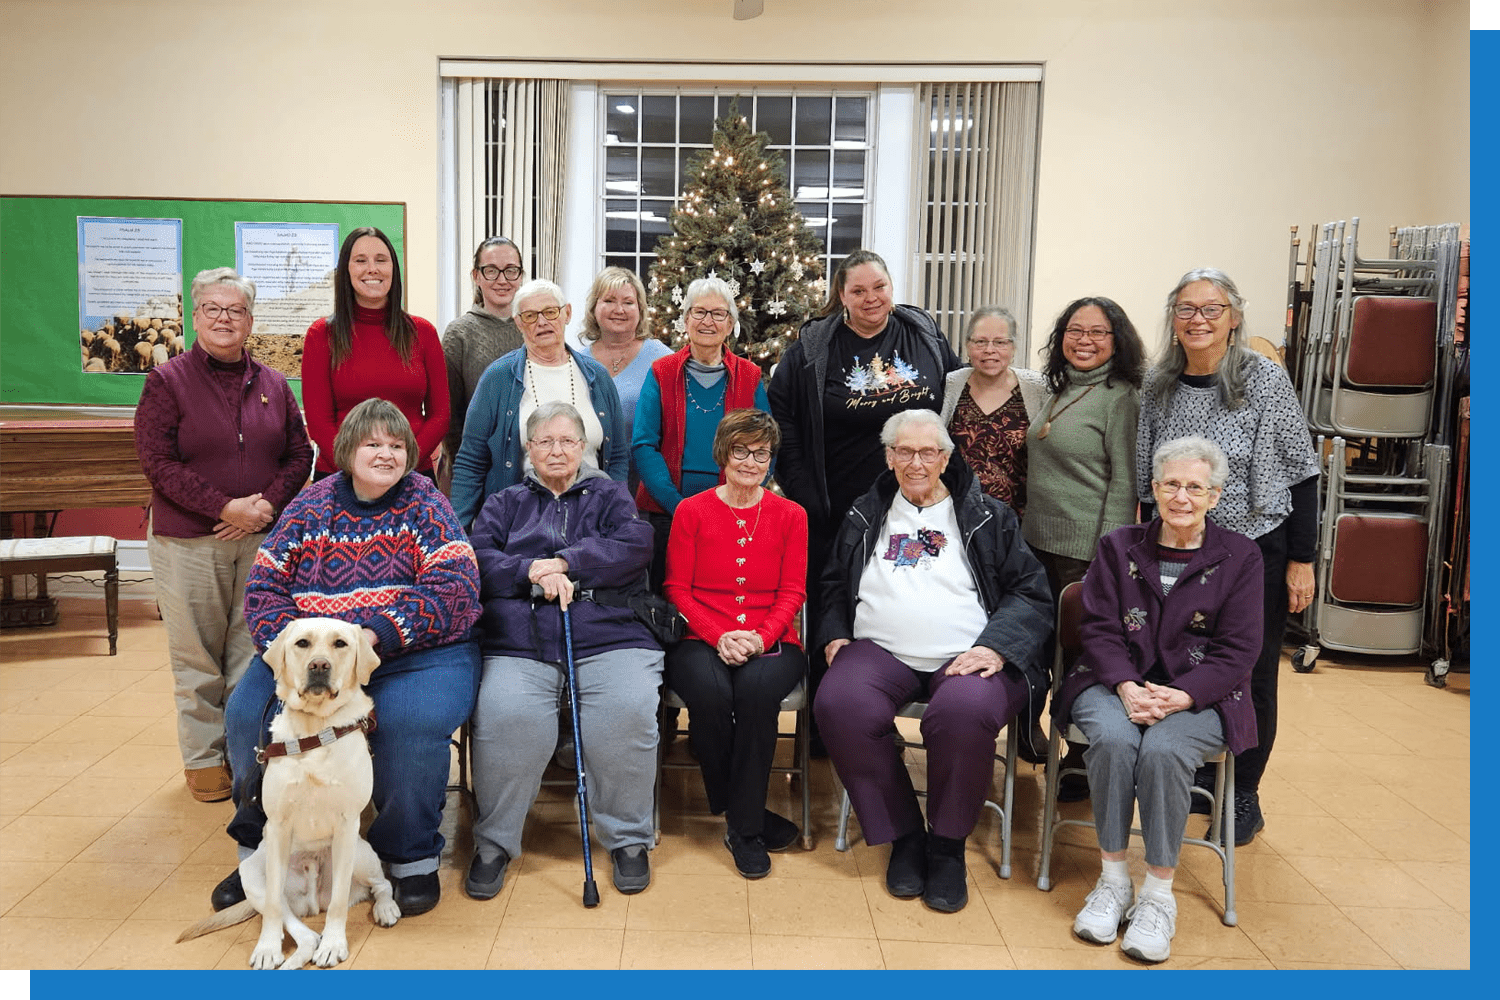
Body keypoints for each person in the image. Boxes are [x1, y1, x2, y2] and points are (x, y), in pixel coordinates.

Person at [216, 399, 481, 918]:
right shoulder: (310, 505)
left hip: (416, 653)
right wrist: (295, 653)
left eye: (397, 445)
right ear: (346, 450)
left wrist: (374, 636)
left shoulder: (426, 504)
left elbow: (455, 586)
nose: (386, 454)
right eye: (372, 444)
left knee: (408, 724)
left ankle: (408, 856)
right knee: (248, 716)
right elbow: (265, 586)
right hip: (311, 655)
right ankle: (262, 853)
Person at [814, 409, 1051, 914]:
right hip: (880, 650)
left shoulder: (988, 516)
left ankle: (946, 846)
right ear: (888, 457)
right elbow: (832, 582)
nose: (915, 463)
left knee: (962, 713)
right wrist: (834, 634)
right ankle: (904, 833)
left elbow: (1030, 593)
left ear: (946, 458)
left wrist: (996, 646)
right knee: (839, 705)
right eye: (904, 451)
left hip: (967, 653)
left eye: (927, 452)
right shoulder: (866, 512)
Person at [1056, 436, 1262, 964]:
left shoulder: (1241, 556)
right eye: (1171, 484)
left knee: (1165, 750)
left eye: (1195, 487)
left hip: (1203, 692)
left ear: (1215, 496)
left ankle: (1157, 896)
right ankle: (1112, 881)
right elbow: (1097, 628)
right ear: (1153, 489)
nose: (1182, 497)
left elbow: (1239, 649)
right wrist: (1126, 685)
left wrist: (1183, 695)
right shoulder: (1118, 545)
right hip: (1111, 680)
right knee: (1112, 739)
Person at [1135, 268, 1319, 847]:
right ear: (1173, 319)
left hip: (1254, 550)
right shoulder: (1158, 383)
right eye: (1186, 309)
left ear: (1234, 317)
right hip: (1179, 551)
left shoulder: (1264, 378)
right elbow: (1147, 478)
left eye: (1211, 309)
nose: (1198, 320)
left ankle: (1244, 794)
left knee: (1251, 670)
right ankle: (1200, 773)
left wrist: (1303, 559)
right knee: (1181, 661)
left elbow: (1302, 471)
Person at [464, 401, 663, 900]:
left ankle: (628, 838)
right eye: (545, 441)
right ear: (528, 449)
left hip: (609, 633)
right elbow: (478, 559)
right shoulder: (505, 502)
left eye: (568, 440)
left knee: (628, 709)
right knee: (505, 714)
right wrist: (528, 571)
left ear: (583, 447)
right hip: (521, 639)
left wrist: (567, 562)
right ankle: (494, 842)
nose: (557, 450)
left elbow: (635, 545)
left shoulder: (611, 495)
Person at [134, 267, 313, 803]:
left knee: (249, 652)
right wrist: (224, 507)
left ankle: (243, 753)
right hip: (188, 541)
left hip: (259, 537)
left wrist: (264, 506)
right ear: (195, 316)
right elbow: (157, 462)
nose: (224, 319)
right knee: (197, 657)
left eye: (235, 310)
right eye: (212, 308)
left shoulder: (274, 383)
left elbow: (298, 454)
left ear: (250, 321)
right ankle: (204, 759)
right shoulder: (166, 381)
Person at [768, 250, 961, 747]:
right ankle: (825, 726)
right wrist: (804, 492)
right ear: (841, 295)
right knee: (834, 607)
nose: (871, 298)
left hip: (915, 505)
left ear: (892, 288)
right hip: (836, 507)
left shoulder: (923, 334)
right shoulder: (815, 346)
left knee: (896, 601)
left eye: (879, 287)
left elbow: (957, 397)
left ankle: (881, 716)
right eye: (858, 290)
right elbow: (783, 416)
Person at [663, 409, 807, 878]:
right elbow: (676, 589)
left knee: (757, 694)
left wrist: (760, 638)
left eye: (761, 453)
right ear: (723, 454)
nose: (750, 462)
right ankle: (750, 814)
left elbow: (793, 592)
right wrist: (717, 635)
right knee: (710, 694)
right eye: (740, 451)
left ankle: (742, 831)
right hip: (700, 634)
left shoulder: (792, 515)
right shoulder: (691, 510)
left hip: (772, 636)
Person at [451, 279, 628, 528]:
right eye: (530, 316)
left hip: (590, 520)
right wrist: (456, 531)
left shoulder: (597, 377)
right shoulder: (497, 378)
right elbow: (471, 460)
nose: (542, 322)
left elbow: (617, 455)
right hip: (518, 524)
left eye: (550, 312)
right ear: (518, 323)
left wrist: (615, 511)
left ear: (567, 313)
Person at [635, 276, 771, 588]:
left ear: (730, 324)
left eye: (718, 313)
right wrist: (677, 505)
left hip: (733, 511)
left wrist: (741, 497)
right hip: (668, 513)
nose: (708, 321)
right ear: (686, 320)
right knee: (668, 596)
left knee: (724, 592)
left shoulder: (749, 376)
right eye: (699, 312)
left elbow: (766, 446)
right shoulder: (662, 372)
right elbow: (644, 444)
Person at [301, 226, 448, 480]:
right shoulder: (321, 335)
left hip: (411, 475)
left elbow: (440, 415)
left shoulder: (423, 333)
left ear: (393, 269)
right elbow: (318, 422)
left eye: (381, 260)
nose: (372, 269)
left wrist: (401, 464)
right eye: (361, 261)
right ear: (346, 270)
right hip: (342, 476)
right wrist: (360, 472)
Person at [1024, 296, 1146, 596]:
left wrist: (1109, 552)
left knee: (1075, 628)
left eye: (1097, 332)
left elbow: (1125, 484)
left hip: (1082, 554)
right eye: (1075, 330)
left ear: (1117, 341)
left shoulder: (1121, 398)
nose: (1084, 340)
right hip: (1037, 542)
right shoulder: (1064, 386)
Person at [940, 306, 1046, 514]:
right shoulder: (950, 385)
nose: (989, 350)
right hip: (956, 514)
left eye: (1000, 342)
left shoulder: (1038, 389)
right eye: (980, 341)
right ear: (967, 346)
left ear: (1013, 348)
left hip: (1017, 519)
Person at [442, 236, 526, 487]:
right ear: (476, 276)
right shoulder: (459, 334)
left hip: (532, 470)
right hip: (476, 471)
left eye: (511, 270)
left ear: (521, 276)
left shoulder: (534, 327)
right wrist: (466, 471)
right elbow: (450, 415)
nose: (502, 279)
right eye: (491, 270)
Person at [580, 266, 671, 492]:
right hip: (587, 484)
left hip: (646, 485)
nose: (619, 309)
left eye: (628, 302)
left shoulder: (662, 359)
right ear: (594, 307)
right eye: (609, 300)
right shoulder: (577, 362)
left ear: (640, 309)